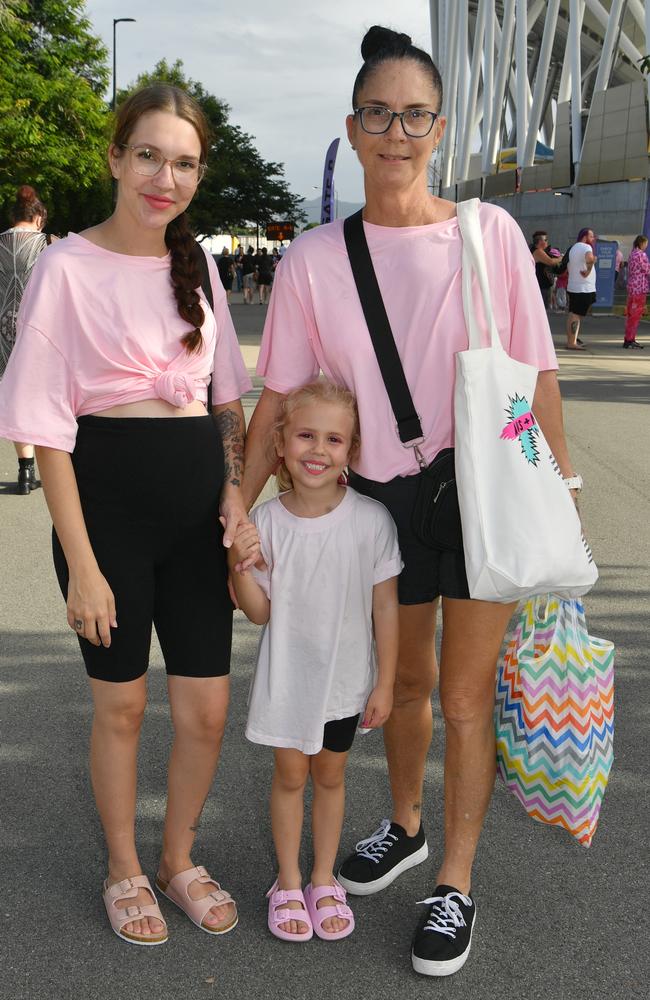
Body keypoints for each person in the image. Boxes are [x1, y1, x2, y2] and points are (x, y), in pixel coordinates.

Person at [243, 25, 581, 977]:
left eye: (416, 114)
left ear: (439, 126)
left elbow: (537, 375)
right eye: (380, 114)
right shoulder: (314, 257)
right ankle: (405, 825)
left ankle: (456, 884)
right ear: (353, 128)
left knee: (468, 699)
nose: (398, 131)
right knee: (403, 687)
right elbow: (279, 396)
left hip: (482, 496)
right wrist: (241, 504)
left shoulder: (489, 234)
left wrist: (556, 499)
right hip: (376, 505)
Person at [0, 84, 254, 946]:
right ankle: (123, 865)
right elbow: (46, 427)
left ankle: (179, 856)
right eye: (149, 155)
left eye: (184, 162)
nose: (165, 177)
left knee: (207, 709)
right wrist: (82, 563)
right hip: (104, 514)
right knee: (121, 707)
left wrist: (234, 490)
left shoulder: (203, 266)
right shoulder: (66, 266)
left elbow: (227, 403)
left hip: (195, 517)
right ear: (115, 157)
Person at [228, 379, 401, 943]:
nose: (317, 450)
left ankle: (323, 878)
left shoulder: (371, 520)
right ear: (280, 443)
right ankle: (287, 880)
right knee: (289, 777)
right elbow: (258, 612)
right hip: (289, 683)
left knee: (330, 776)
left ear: (351, 451)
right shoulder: (269, 523)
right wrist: (238, 567)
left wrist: (386, 682)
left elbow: (385, 608)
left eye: (333, 439)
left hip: (346, 684)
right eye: (305, 435)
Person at [0, 185, 56, 493]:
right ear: (38, 217)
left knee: (15, 399)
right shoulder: (50, 244)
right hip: (41, 332)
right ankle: (51, 472)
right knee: (43, 401)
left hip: (2, 335)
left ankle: (25, 471)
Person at [566, 227, 597, 350]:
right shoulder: (586, 247)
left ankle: (572, 340)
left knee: (574, 313)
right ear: (584, 237)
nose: (593, 239)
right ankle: (572, 342)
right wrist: (589, 269)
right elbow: (589, 258)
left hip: (574, 286)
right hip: (583, 288)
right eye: (591, 236)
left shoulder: (573, 248)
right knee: (576, 314)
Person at [623, 235, 649, 349]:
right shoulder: (641, 254)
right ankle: (630, 340)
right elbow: (647, 269)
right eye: (646, 244)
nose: (646, 246)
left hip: (632, 286)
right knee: (636, 315)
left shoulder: (632, 254)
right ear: (642, 243)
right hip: (640, 287)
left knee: (631, 314)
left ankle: (629, 338)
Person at [530, 230, 559, 310]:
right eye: (545, 240)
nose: (547, 242)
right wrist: (561, 258)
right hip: (542, 287)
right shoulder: (537, 251)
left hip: (543, 286)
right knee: (544, 311)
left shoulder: (539, 251)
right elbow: (551, 262)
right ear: (540, 241)